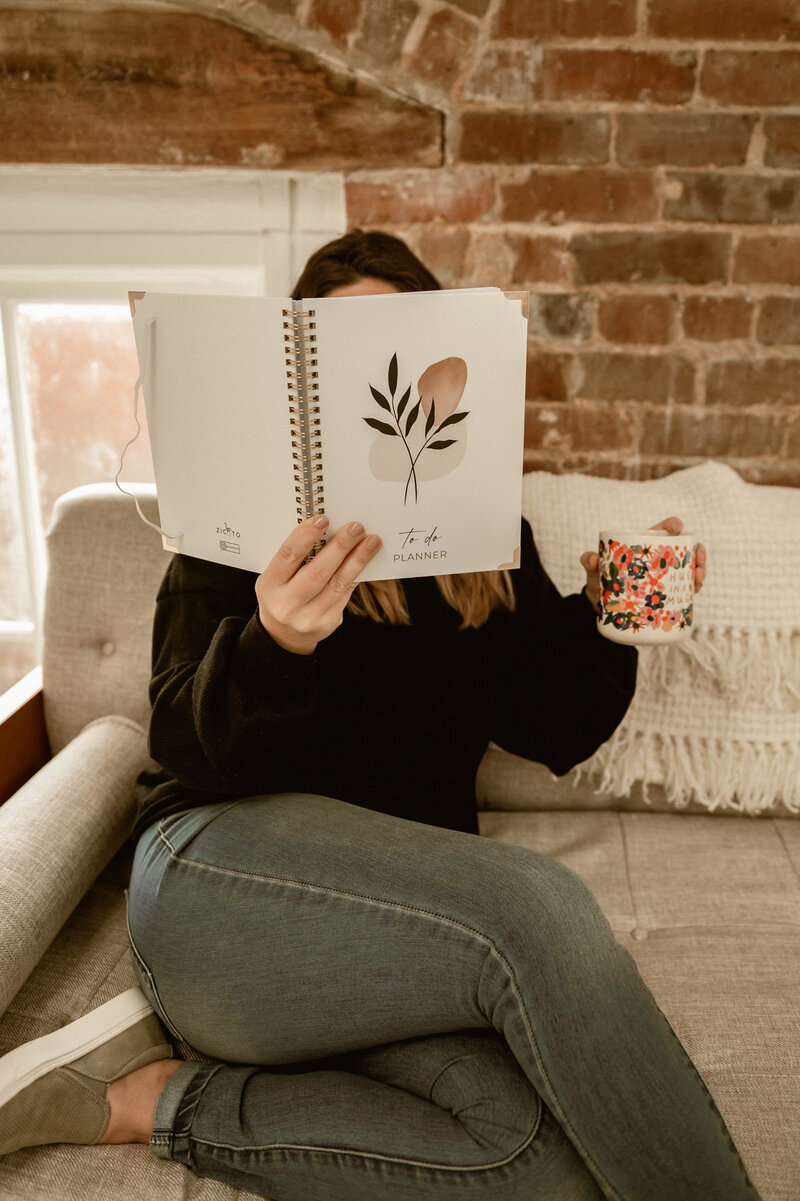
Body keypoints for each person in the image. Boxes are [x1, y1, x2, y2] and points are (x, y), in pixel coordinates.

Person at [0, 230, 759, 1201]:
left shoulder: (486, 539)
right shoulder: (237, 530)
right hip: (220, 886)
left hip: (397, 946)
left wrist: (610, 611)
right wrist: (273, 638)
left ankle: (162, 1099)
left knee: (538, 1166)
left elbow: (556, 726)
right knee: (540, 905)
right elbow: (187, 742)